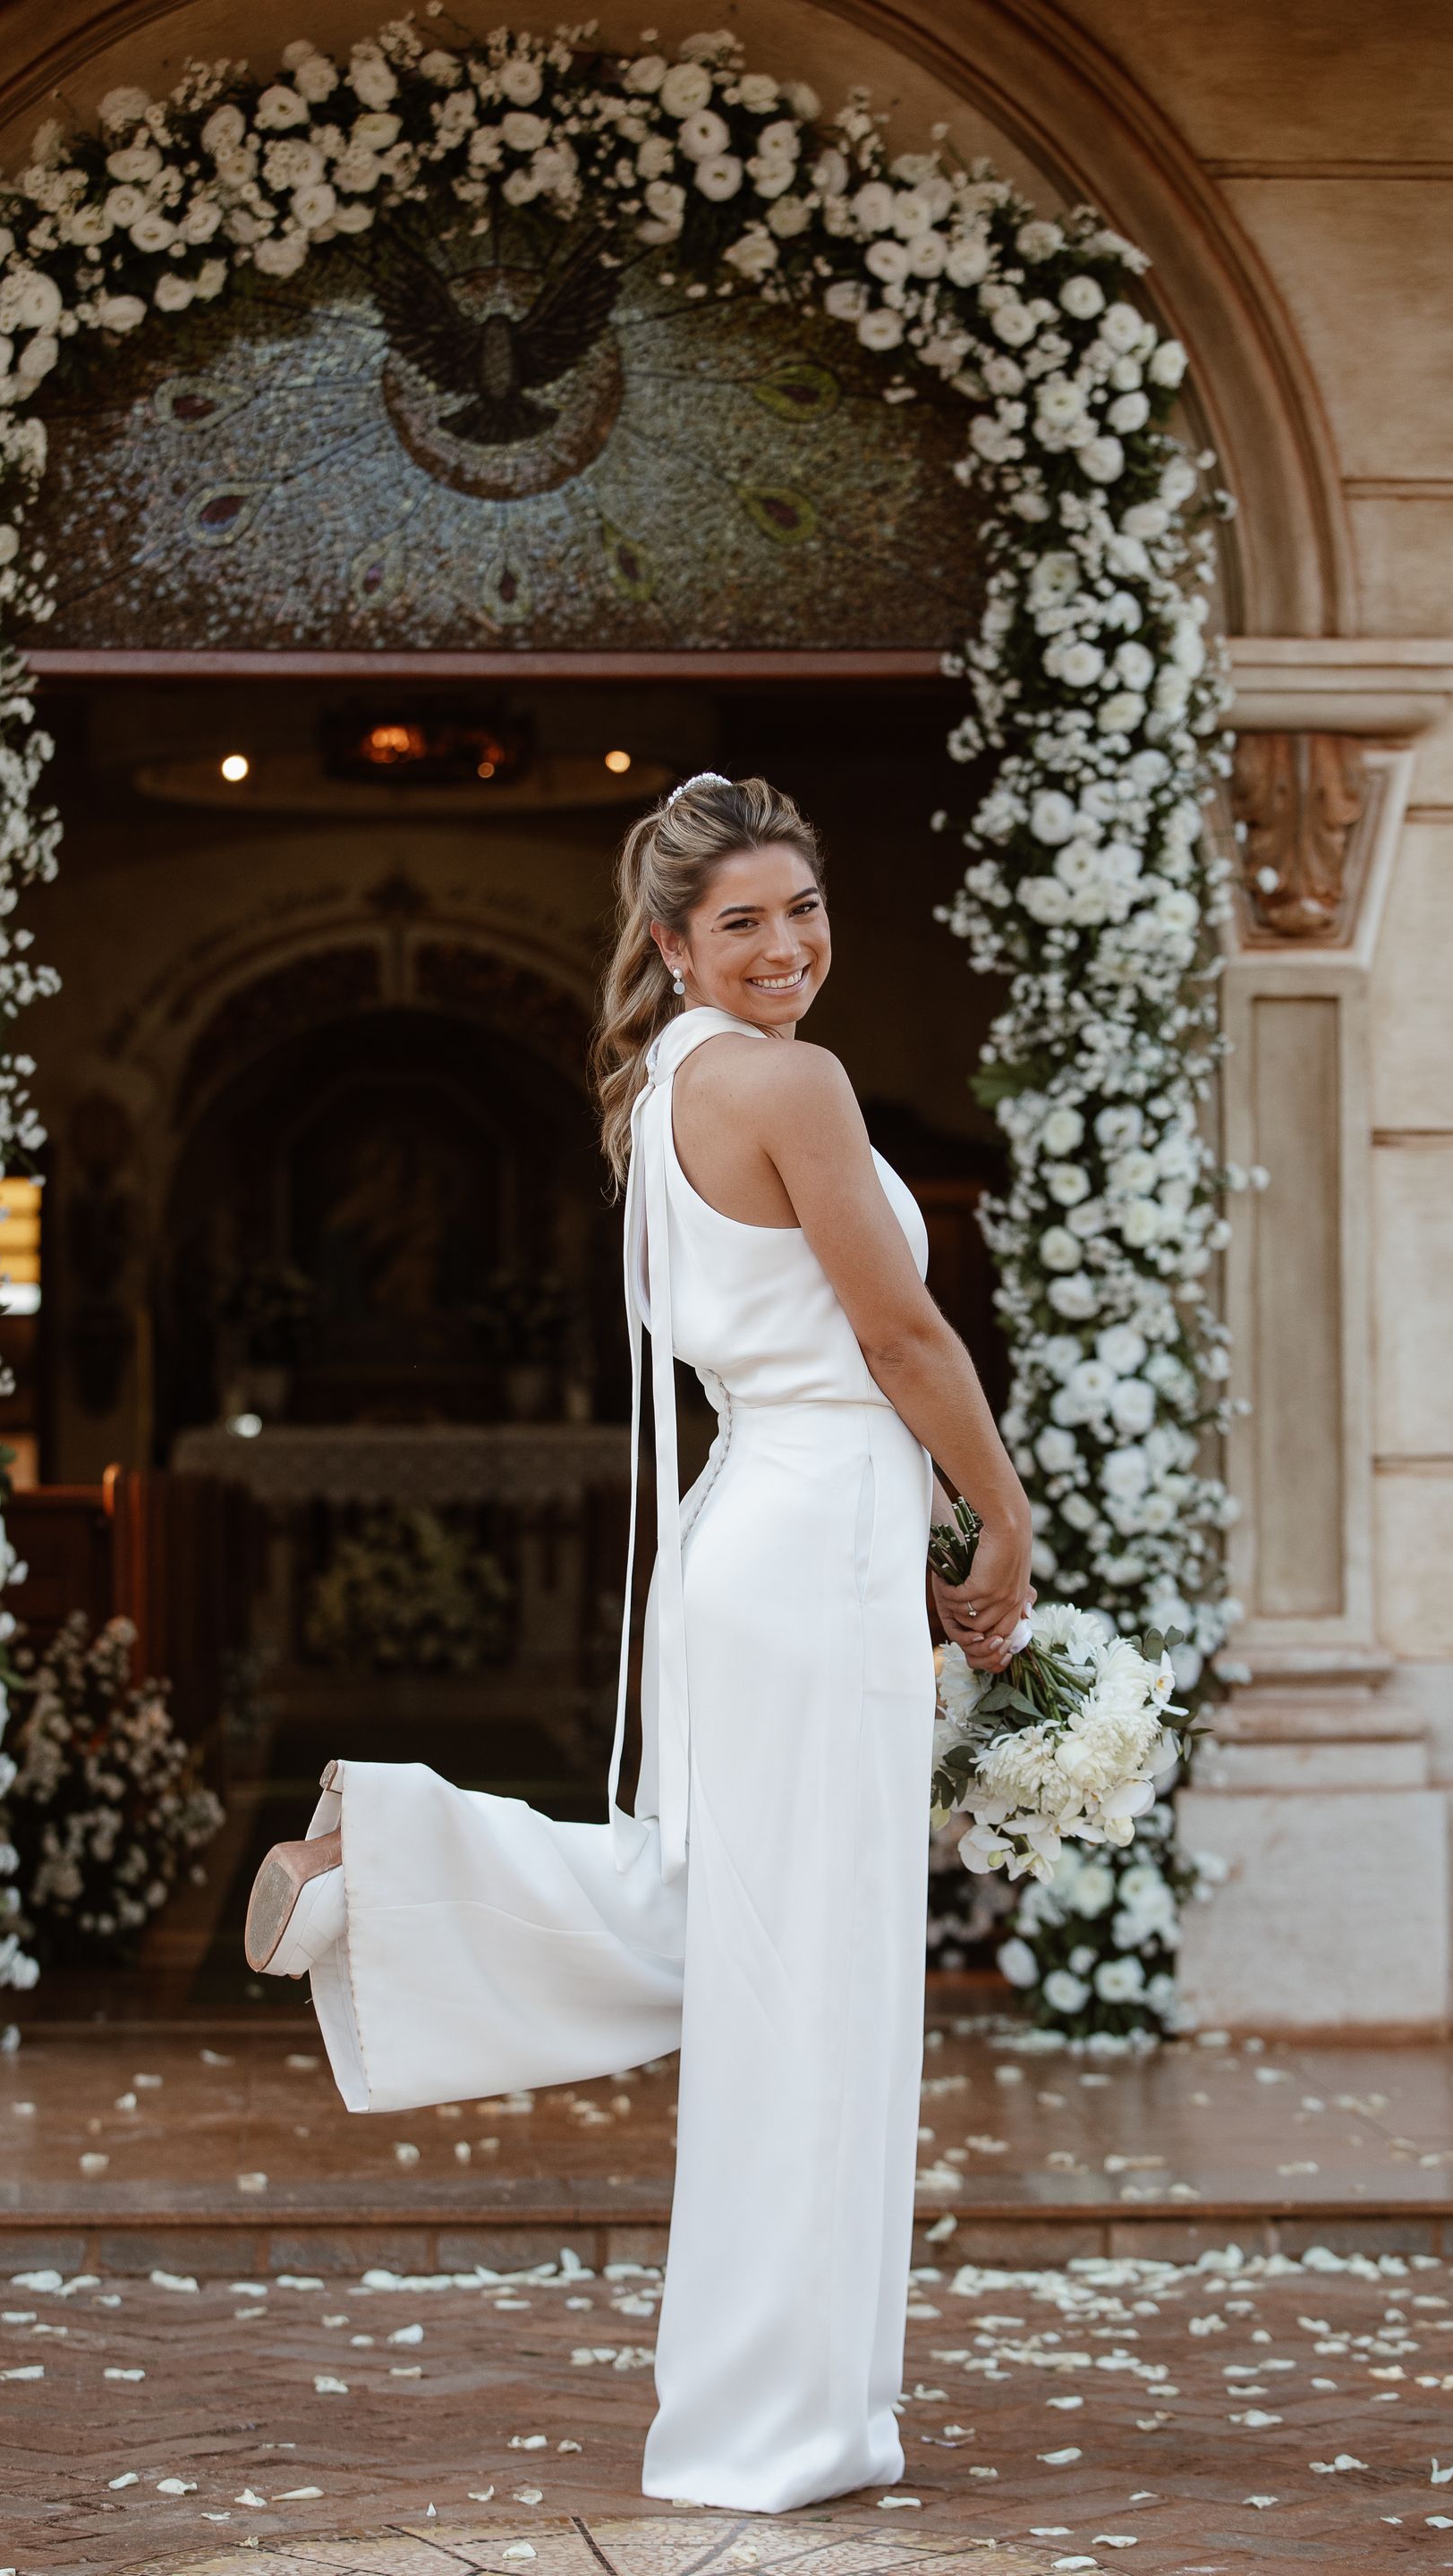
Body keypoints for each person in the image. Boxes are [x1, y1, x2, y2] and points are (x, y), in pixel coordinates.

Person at [243, 772, 1032, 2511]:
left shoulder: (668, 1083)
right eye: (740, 920)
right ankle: (778, 2423)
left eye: (804, 910)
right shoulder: (788, 1081)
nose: (785, 946)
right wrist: (1004, 1510)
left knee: (736, 1929)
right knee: (799, 1975)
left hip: (762, 1526)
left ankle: (386, 1860)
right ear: (673, 945)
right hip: (811, 1530)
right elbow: (900, 1335)